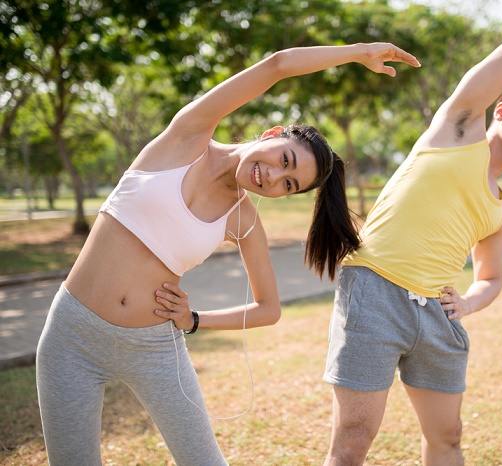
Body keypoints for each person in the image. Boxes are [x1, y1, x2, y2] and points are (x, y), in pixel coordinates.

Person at [35, 43, 420, 465]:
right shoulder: (188, 136)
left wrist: (194, 320)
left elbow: (268, 308)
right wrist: (356, 53)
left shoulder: (244, 219)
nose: (273, 177)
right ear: (272, 136)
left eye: (288, 184)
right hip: (72, 335)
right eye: (284, 160)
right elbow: (276, 65)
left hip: (153, 348)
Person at [322, 34, 502, 465]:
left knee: (448, 436)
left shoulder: (499, 209)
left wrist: (467, 303)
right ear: (500, 111)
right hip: (374, 291)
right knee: (354, 439)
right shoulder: (457, 131)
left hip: (435, 315)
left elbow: (491, 278)